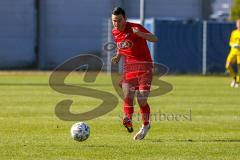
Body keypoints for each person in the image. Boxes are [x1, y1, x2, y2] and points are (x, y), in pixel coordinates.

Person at [111, 7, 158, 140]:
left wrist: (141, 34)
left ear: (125, 19)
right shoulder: (114, 32)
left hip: (145, 66)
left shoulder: (135, 27)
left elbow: (155, 38)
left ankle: (146, 125)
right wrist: (118, 56)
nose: (116, 24)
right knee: (127, 94)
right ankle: (128, 119)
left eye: (119, 20)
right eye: (114, 21)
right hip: (129, 68)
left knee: (142, 99)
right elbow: (121, 46)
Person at [226, 19, 240, 88]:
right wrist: (233, 45)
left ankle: (237, 81)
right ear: (236, 25)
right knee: (227, 65)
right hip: (233, 51)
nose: (239, 25)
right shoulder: (234, 32)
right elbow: (230, 42)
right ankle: (234, 78)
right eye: (238, 24)